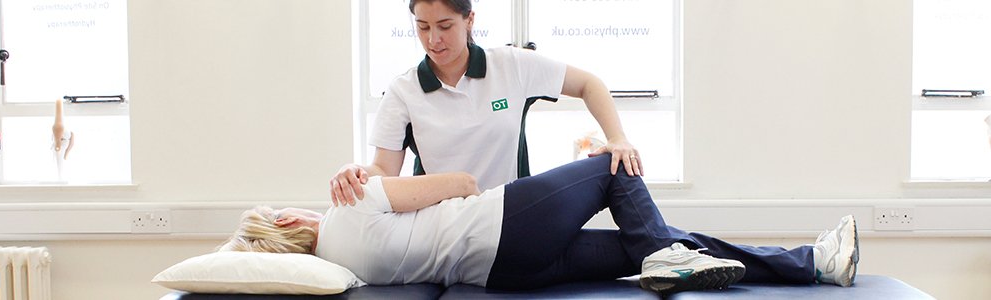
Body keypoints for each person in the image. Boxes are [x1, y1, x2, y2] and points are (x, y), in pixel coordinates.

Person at [222, 154, 860, 294]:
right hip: (501, 227)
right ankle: (667, 258)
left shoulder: (343, 271)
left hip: (503, 274)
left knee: (658, 245)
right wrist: (369, 176)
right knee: (615, 165)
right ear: (286, 220)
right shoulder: (349, 202)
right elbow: (465, 186)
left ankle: (814, 263)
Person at [330, 0, 645, 206]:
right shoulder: (403, 90)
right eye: (422, 27)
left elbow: (590, 84)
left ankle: (675, 252)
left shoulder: (510, 66)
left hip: (512, 214)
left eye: (445, 26)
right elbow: (384, 169)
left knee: (615, 161)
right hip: (442, 225)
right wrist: (353, 171)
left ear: (469, 20)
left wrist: (618, 138)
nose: (432, 40)